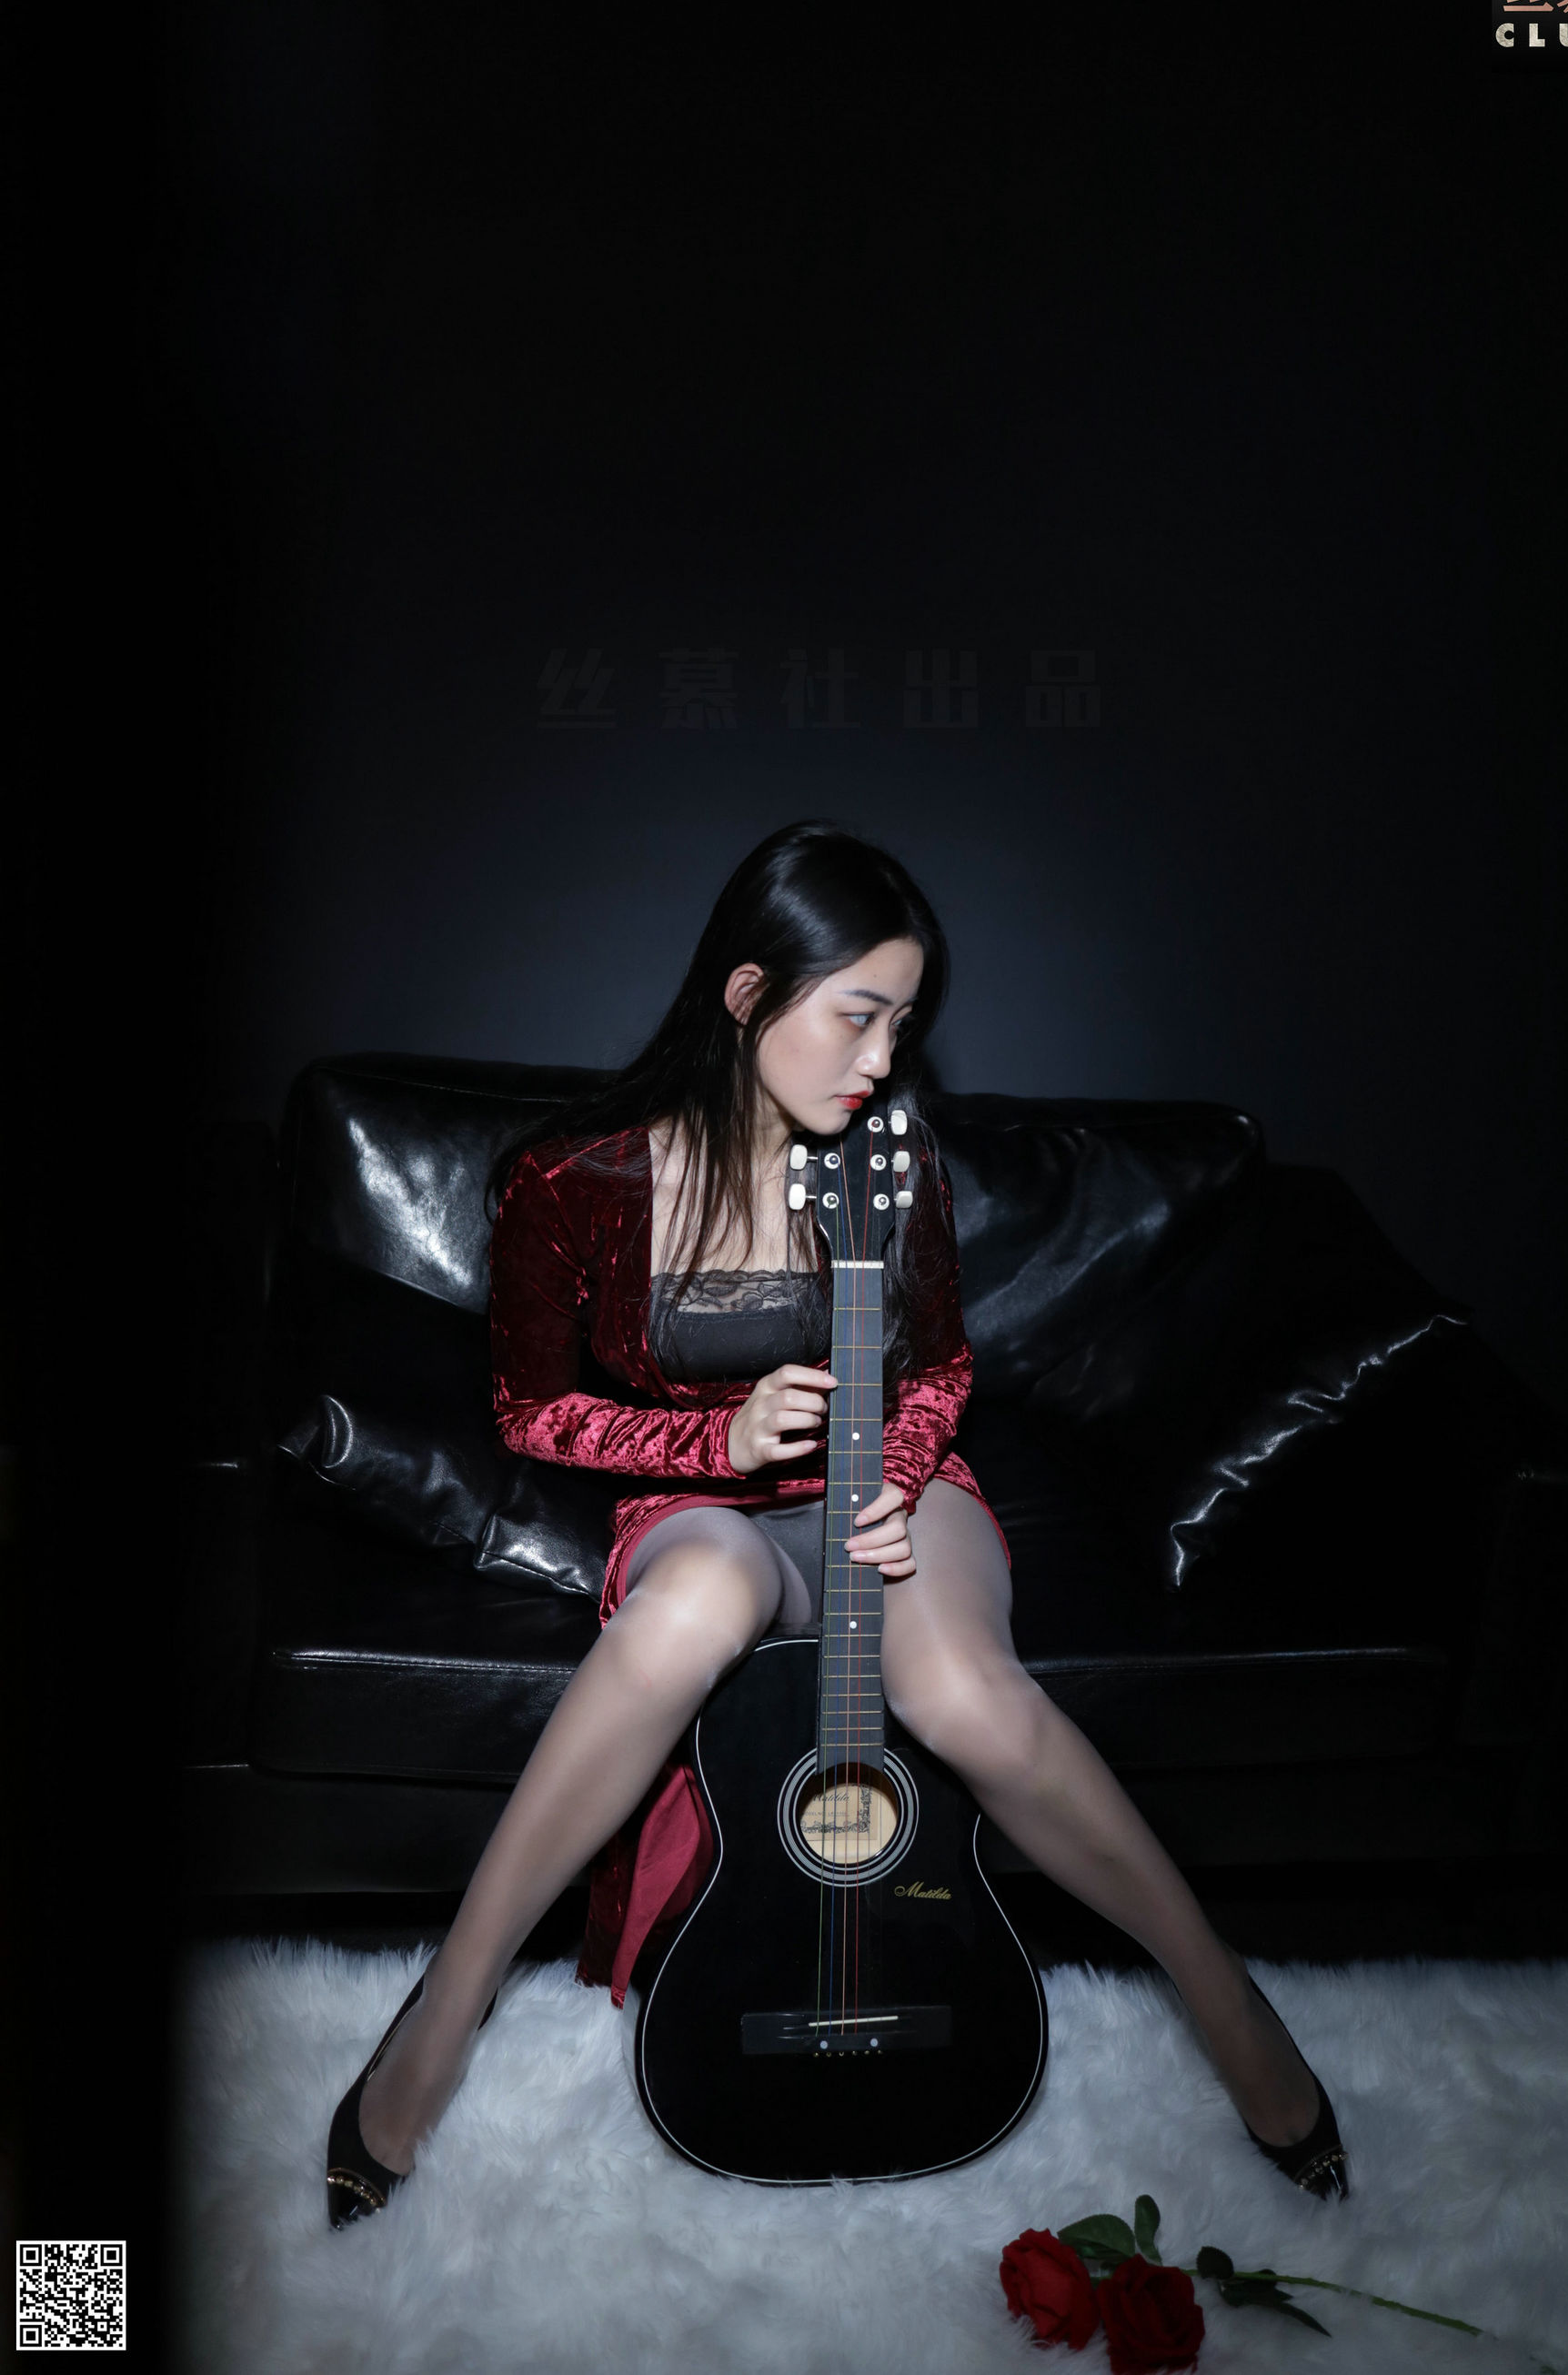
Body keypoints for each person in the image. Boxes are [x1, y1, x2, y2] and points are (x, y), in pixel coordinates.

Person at [326, 820, 1349, 2225]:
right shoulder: (573, 1185)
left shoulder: (892, 1164)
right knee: (691, 1608)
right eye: (858, 1015)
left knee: (962, 1695)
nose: (883, 1058)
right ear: (750, 994)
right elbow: (530, 1410)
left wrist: (893, 1467)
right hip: (706, 1505)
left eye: (904, 1024)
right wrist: (717, 1438)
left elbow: (939, 1367)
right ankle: (447, 2011)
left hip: (890, 1492)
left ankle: (1227, 2004)